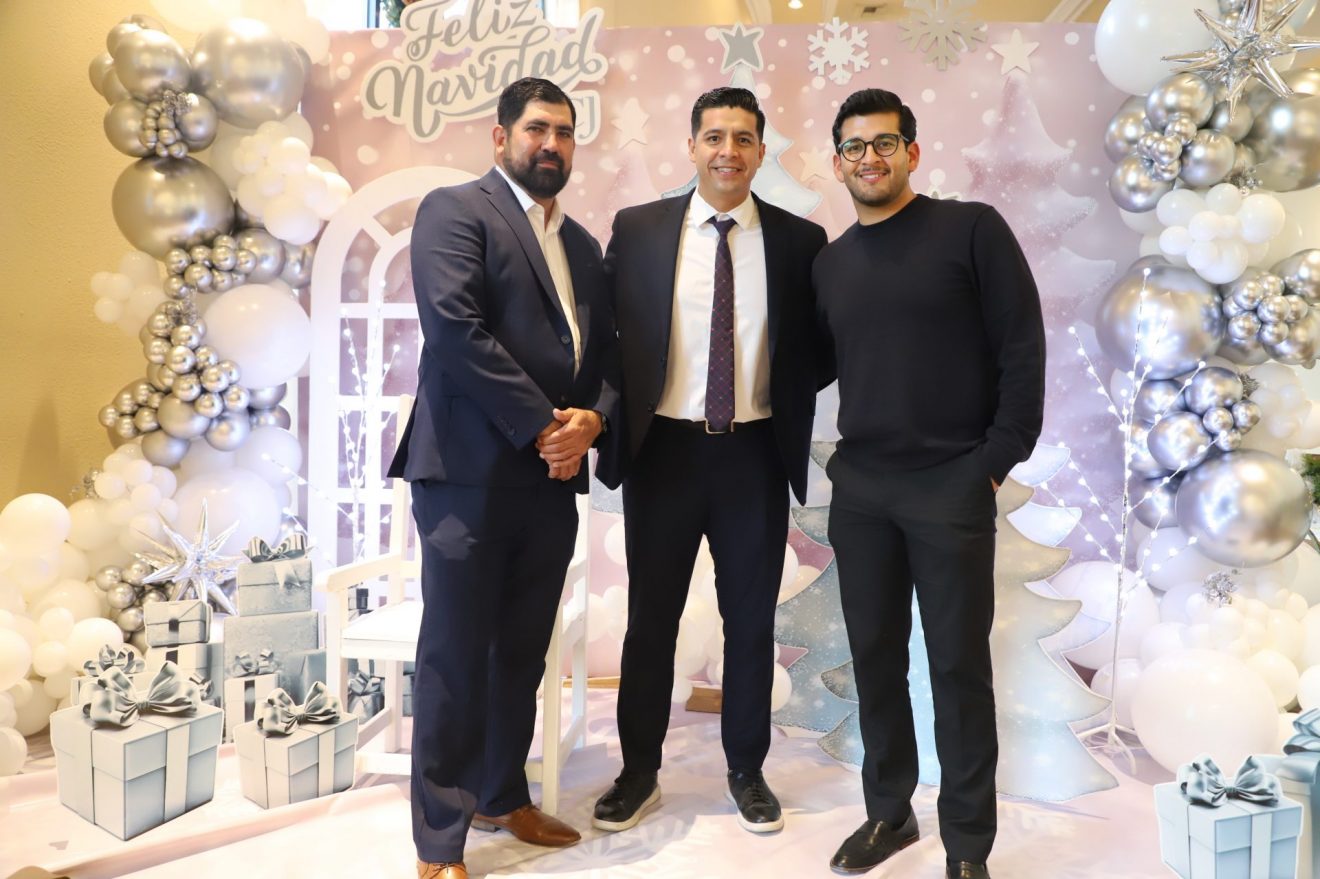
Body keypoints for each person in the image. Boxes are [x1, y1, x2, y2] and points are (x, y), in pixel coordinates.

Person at [390, 77, 619, 879]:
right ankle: (438, 842)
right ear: (501, 137)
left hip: (550, 480)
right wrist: (547, 426)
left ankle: (500, 792)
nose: (551, 144)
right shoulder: (455, 211)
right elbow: (457, 329)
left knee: (521, 650)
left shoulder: (581, 244)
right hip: (466, 473)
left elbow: (604, 355)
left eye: (564, 131)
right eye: (536, 129)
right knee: (456, 653)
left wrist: (593, 420)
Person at [813, 88, 1045, 879]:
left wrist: (993, 460)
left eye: (885, 142)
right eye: (854, 146)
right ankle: (890, 811)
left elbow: (1022, 347)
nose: (869, 157)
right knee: (875, 658)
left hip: (951, 482)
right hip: (863, 490)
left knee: (956, 666)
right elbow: (813, 364)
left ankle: (967, 845)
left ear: (912, 151)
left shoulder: (971, 230)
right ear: (837, 162)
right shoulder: (831, 263)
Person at [592, 86, 827, 836]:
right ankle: (638, 771)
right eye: (715, 136)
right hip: (662, 450)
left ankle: (746, 770)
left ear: (760, 151)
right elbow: (605, 336)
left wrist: (779, 392)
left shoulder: (800, 241)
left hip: (753, 453)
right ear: (691, 146)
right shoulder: (639, 229)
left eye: (743, 138)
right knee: (650, 621)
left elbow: (818, 349)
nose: (729, 151)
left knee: (750, 622)